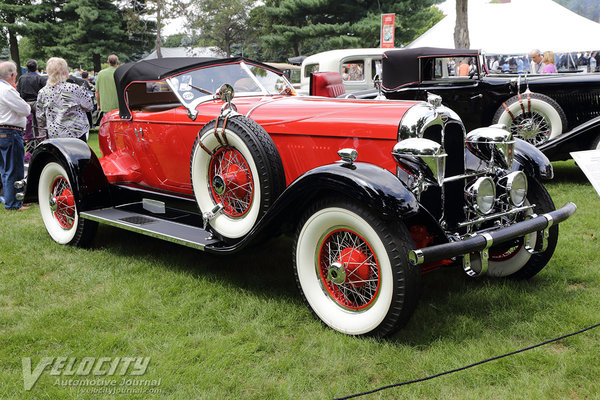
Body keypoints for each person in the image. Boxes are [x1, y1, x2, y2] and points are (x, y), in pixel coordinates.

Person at [36, 57, 93, 141]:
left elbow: (40, 116)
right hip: (76, 132)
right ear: (65, 72)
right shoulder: (75, 88)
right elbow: (89, 106)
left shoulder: (43, 92)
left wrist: (43, 134)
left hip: (55, 134)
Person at [0, 61, 31, 211]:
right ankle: (13, 203)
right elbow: (25, 109)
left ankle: (10, 199)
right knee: (14, 168)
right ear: (12, 75)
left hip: (4, 131)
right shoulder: (7, 90)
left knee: (5, 168)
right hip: (9, 132)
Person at [16, 59, 46, 139]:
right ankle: (41, 140)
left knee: (28, 125)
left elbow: (18, 91)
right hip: (37, 103)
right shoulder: (40, 78)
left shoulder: (21, 78)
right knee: (41, 124)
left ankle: (29, 140)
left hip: (26, 103)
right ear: (36, 67)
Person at [95, 54, 119, 120]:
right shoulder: (120, 72)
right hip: (119, 107)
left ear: (108, 62)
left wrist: (99, 105)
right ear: (117, 63)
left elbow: (97, 92)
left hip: (105, 108)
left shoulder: (101, 73)